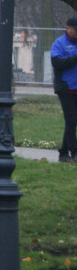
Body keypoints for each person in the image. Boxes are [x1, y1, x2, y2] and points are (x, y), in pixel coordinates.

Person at [50, 17, 77, 163]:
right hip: (66, 87)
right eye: (76, 29)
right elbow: (57, 62)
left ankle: (63, 153)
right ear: (68, 28)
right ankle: (74, 152)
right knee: (72, 120)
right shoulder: (59, 43)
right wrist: (74, 58)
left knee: (71, 122)